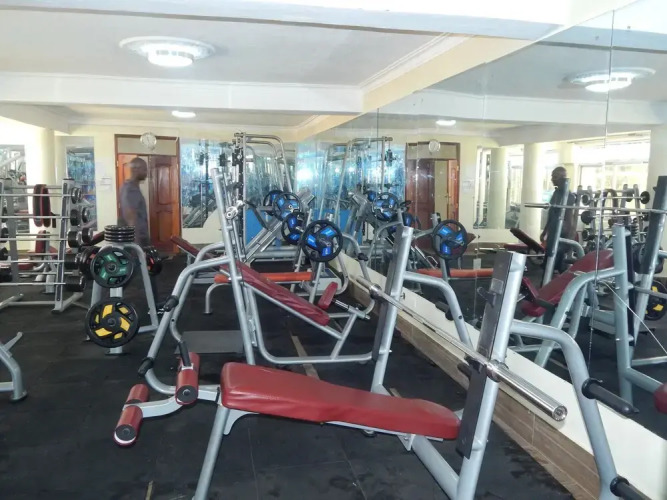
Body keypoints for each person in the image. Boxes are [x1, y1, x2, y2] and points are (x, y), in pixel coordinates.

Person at [118, 157, 158, 300]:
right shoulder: (130, 189)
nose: (146, 172)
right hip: (134, 240)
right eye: (144, 169)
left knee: (148, 270)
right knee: (130, 272)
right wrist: (137, 245)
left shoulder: (132, 187)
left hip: (137, 238)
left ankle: (155, 303)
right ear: (135, 169)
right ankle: (109, 300)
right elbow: (131, 217)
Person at [540, 166, 576, 274]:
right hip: (554, 230)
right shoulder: (556, 193)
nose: (552, 179)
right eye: (552, 176)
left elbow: (569, 218)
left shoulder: (569, 196)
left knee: (558, 264)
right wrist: (545, 231)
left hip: (562, 233)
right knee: (548, 262)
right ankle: (547, 282)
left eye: (554, 176)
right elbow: (551, 214)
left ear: (562, 178)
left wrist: (568, 237)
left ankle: (559, 281)